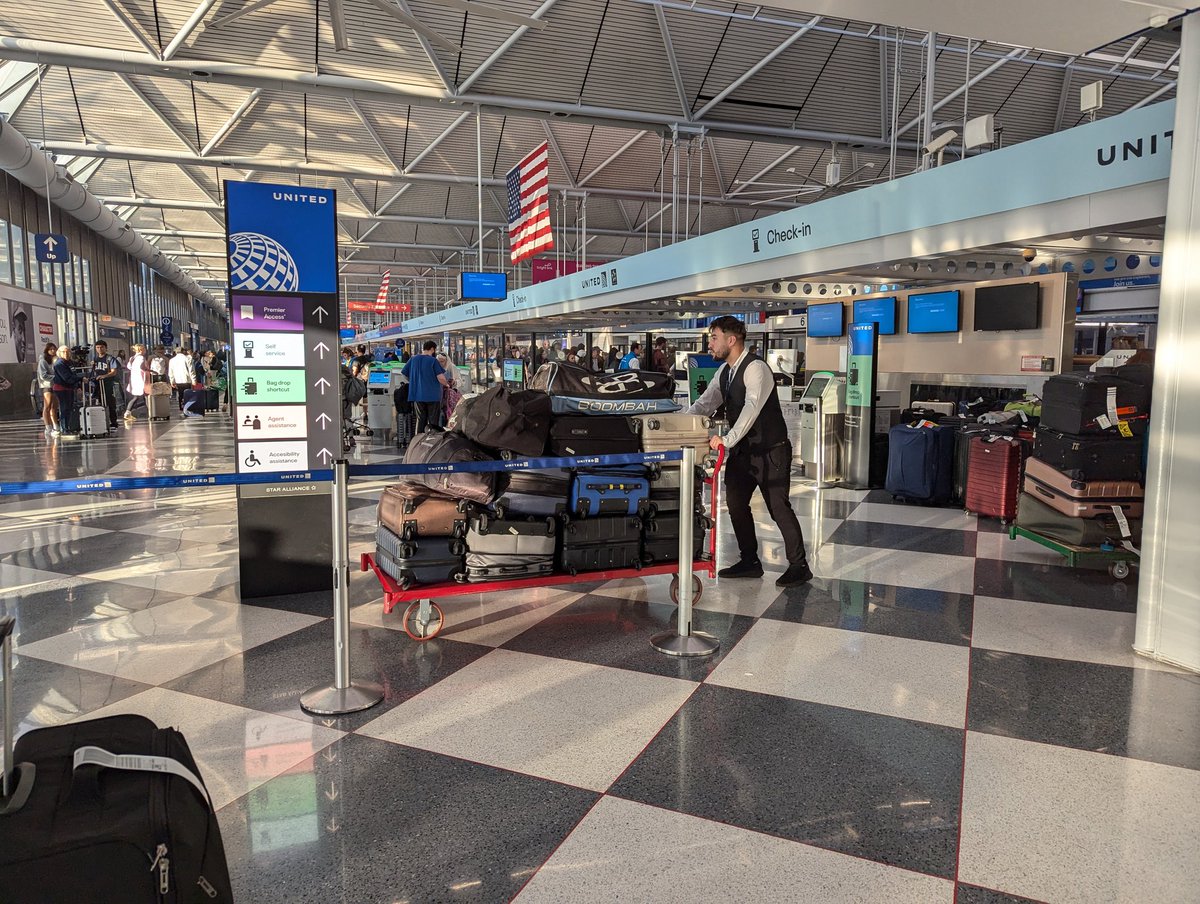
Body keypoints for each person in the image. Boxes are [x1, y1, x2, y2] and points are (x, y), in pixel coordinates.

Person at [687, 315, 811, 587]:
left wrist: (726, 439)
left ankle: (799, 565)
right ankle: (750, 560)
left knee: (778, 507)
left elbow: (751, 409)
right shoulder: (725, 372)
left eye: (715, 337)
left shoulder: (756, 369)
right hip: (744, 452)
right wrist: (678, 424)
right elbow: (705, 403)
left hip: (771, 451)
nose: (711, 343)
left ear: (731, 340)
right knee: (735, 504)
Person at [401, 340, 450, 433]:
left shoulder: (413, 359)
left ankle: (418, 440)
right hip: (433, 396)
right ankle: (431, 441)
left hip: (417, 395)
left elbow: (404, 374)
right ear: (432, 349)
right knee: (433, 422)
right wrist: (447, 384)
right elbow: (441, 378)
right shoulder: (433, 361)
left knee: (420, 419)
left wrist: (413, 382)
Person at [50, 345, 82, 435]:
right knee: (64, 408)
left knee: (69, 408)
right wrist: (79, 378)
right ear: (59, 353)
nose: (66, 354)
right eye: (64, 352)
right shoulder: (59, 364)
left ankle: (68, 427)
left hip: (69, 388)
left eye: (68, 352)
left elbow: (74, 374)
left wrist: (77, 384)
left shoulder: (69, 362)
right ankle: (64, 428)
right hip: (61, 389)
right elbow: (67, 377)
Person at [90, 340, 121, 429]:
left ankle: (113, 422)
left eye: (101, 347)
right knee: (99, 402)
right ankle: (101, 421)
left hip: (108, 384)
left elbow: (114, 372)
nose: (99, 349)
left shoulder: (110, 359)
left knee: (110, 403)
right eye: (97, 347)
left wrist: (104, 376)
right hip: (98, 384)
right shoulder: (95, 359)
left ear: (106, 348)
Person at [123, 343, 150, 422]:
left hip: (134, 379)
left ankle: (128, 412)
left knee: (136, 397)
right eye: (144, 348)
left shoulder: (132, 358)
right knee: (146, 396)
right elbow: (142, 367)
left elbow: (129, 367)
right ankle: (151, 412)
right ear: (141, 350)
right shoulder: (141, 358)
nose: (145, 350)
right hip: (142, 379)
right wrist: (149, 370)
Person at [37, 342, 59, 435]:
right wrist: (56, 377)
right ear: (47, 350)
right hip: (47, 386)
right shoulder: (43, 361)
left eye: (54, 349)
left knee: (54, 407)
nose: (53, 351)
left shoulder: (56, 360)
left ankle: (55, 426)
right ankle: (48, 427)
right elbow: (43, 375)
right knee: (47, 406)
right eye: (51, 349)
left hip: (55, 385)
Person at [168, 346, 196, 410]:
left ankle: (181, 406)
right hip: (187, 380)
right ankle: (188, 406)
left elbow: (170, 372)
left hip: (178, 380)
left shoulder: (172, 360)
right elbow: (191, 370)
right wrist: (194, 380)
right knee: (188, 393)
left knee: (180, 394)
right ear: (183, 351)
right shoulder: (188, 359)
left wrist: (172, 381)